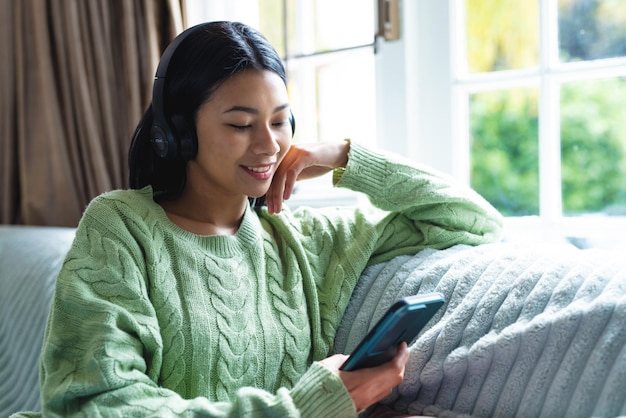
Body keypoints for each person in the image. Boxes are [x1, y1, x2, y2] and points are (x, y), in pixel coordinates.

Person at [23, 21, 503, 418]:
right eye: (240, 124)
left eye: (279, 121)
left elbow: (472, 221)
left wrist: (345, 157)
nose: (269, 145)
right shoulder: (120, 227)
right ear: (178, 133)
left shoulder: (302, 241)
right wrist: (307, 407)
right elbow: (98, 404)